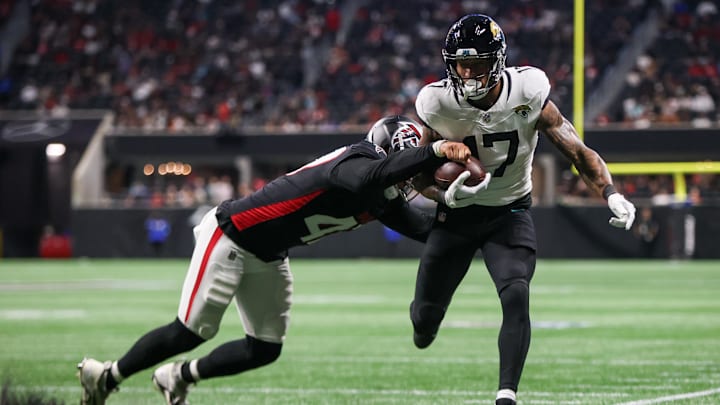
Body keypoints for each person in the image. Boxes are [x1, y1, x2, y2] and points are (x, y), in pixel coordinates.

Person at [76, 115, 471, 405]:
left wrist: (476, 217)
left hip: (268, 253)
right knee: (192, 330)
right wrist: (432, 152)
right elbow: (369, 179)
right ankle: (106, 377)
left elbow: (427, 230)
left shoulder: (383, 196)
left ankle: (179, 376)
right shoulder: (354, 160)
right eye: (405, 167)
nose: (406, 183)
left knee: (265, 347)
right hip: (232, 232)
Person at [408, 14, 637, 405]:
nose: (468, 72)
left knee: (516, 294)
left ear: (497, 60)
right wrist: (442, 196)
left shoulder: (528, 90)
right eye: (461, 63)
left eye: (478, 63)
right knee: (424, 321)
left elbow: (577, 151)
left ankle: (506, 394)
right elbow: (414, 172)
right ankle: (426, 326)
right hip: (456, 218)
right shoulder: (436, 102)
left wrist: (610, 193)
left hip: (509, 212)